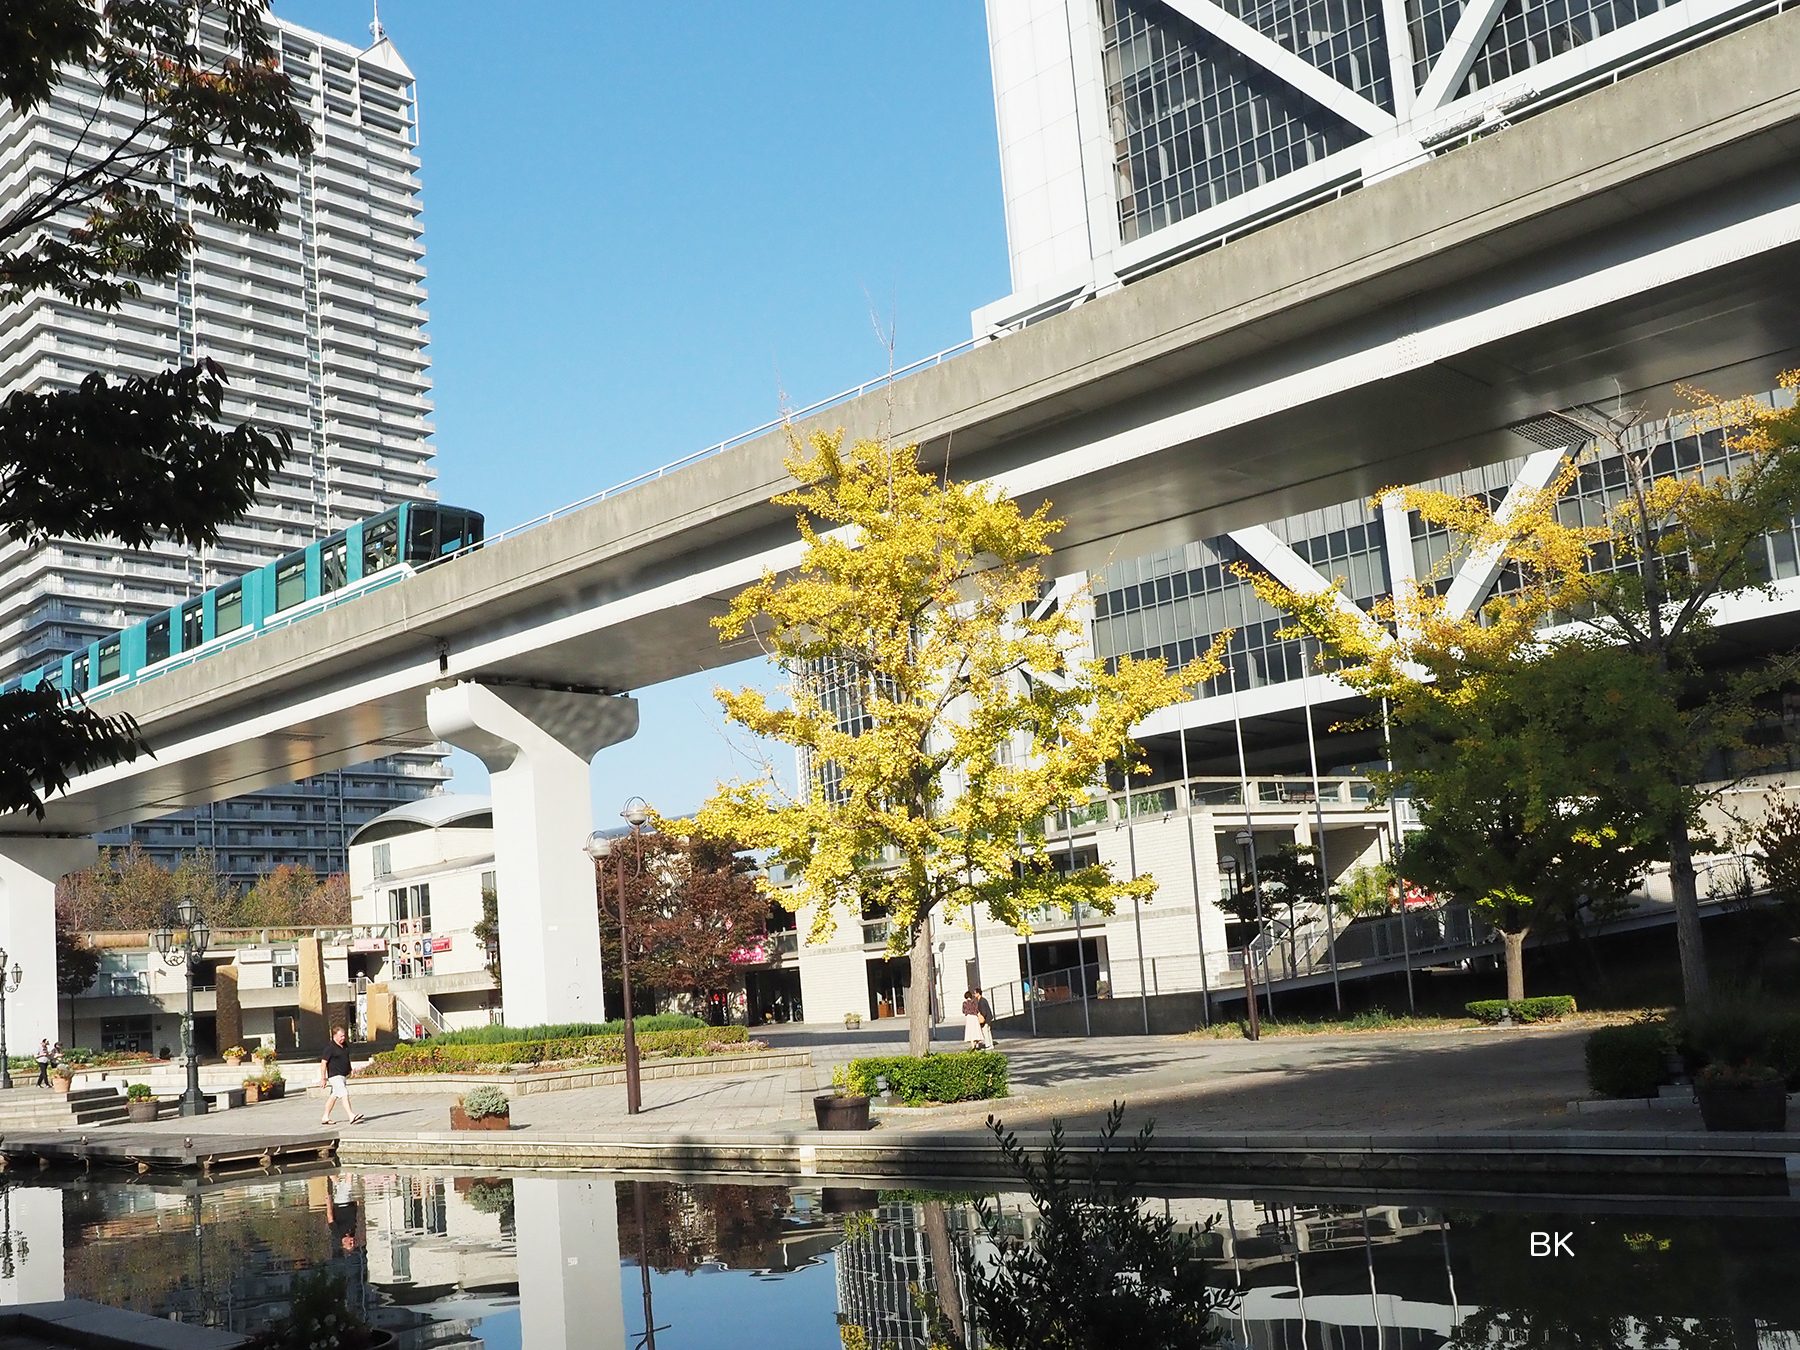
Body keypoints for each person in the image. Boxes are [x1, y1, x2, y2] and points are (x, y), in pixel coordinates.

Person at [318, 1025, 363, 1126]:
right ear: (334, 1036)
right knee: (344, 1093)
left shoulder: (344, 1045)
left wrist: (350, 1069)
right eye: (341, 1036)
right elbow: (323, 1063)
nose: (343, 1038)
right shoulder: (330, 1048)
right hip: (335, 1075)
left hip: (343, 1075)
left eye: (344, 1036)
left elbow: (346, 1058)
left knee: (334, 1096)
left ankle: (325, 1116)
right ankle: (351, 1115)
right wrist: (323, 1078)